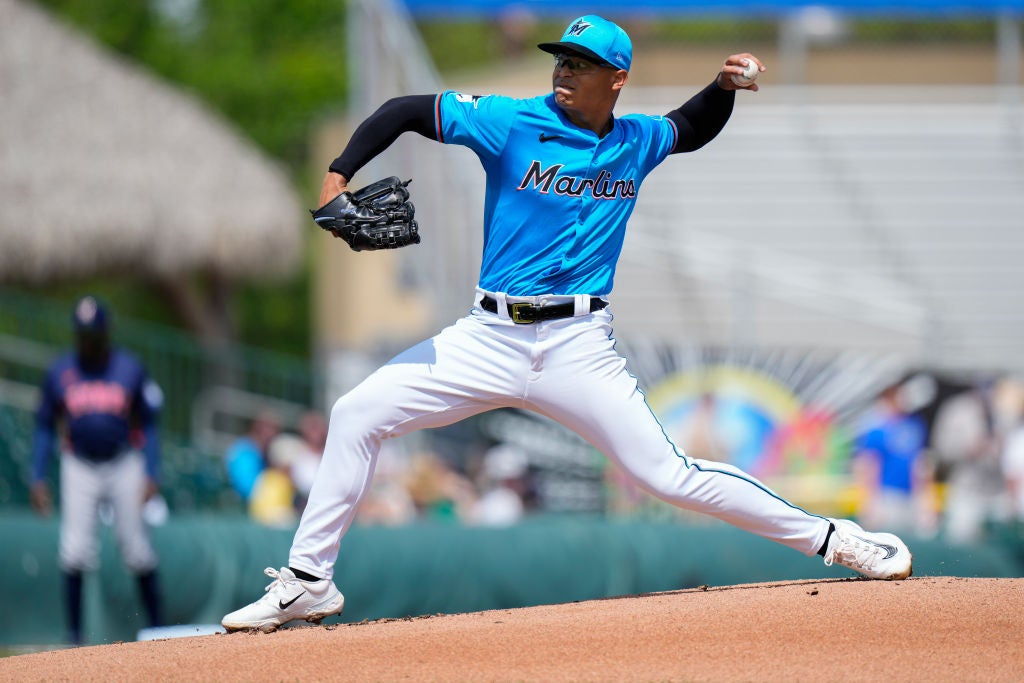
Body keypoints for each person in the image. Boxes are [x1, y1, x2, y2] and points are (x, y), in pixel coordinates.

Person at [222, 15, 912, 633]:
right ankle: (308, 581)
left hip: (578, 346)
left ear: (616, 80)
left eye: (579, 62)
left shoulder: (635, 140)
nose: (562, 69)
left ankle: (835, 540)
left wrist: (724, 86)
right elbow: (405, 109)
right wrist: (337, 176)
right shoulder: (511, 121)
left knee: (670, 475)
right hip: (487, 336)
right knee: (354, 412)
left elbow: (690, 126)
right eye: (560, 57)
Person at [30, 296, 164, 645]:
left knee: (136, 549)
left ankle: (160, 629)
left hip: (124, 462)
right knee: (74, 550)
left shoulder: (129, 367)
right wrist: (37, 475)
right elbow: (45, 425)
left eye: (93, 333)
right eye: (82, 333)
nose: (87, 340)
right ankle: (74, 637)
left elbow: (149, 423)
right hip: (79, 464)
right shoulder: (60, 371)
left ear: (105, 333)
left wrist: (151, 470)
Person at [851, 383, 936, 536]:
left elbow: (920, 467)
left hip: (910, 498)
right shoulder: (875, 428)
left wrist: (925, 502)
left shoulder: (914, 425)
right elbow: (868, 466)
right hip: (886, 497)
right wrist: (870, 502)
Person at [224, 410, 280, 503]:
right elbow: (248, 488)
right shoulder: (243, 451)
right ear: (257, 427)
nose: (273, 434)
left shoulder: (264, 453)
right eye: (270, 428)